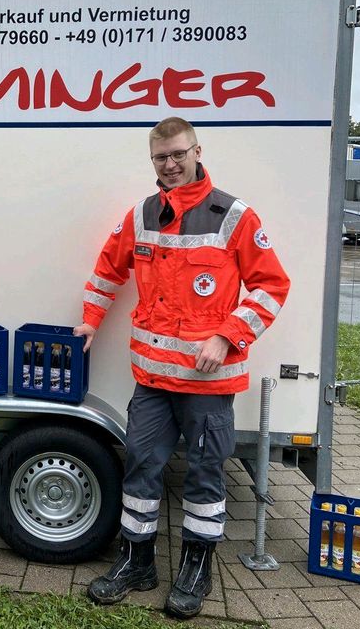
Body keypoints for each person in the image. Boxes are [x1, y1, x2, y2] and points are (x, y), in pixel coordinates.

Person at [75, 117, 290, 618]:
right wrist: (89, 322)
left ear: (197, 151)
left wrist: (227, 334)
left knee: (204, 475)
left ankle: (196, 569)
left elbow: (271, 286)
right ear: (151, 160)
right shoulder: (141, 214)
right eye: (160, 157)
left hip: (208, 385)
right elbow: (109, 270)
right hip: (151, 379)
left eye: (178, 154)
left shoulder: (233, 215)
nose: (169, 165)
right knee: (142, 469)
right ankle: (136, 562)